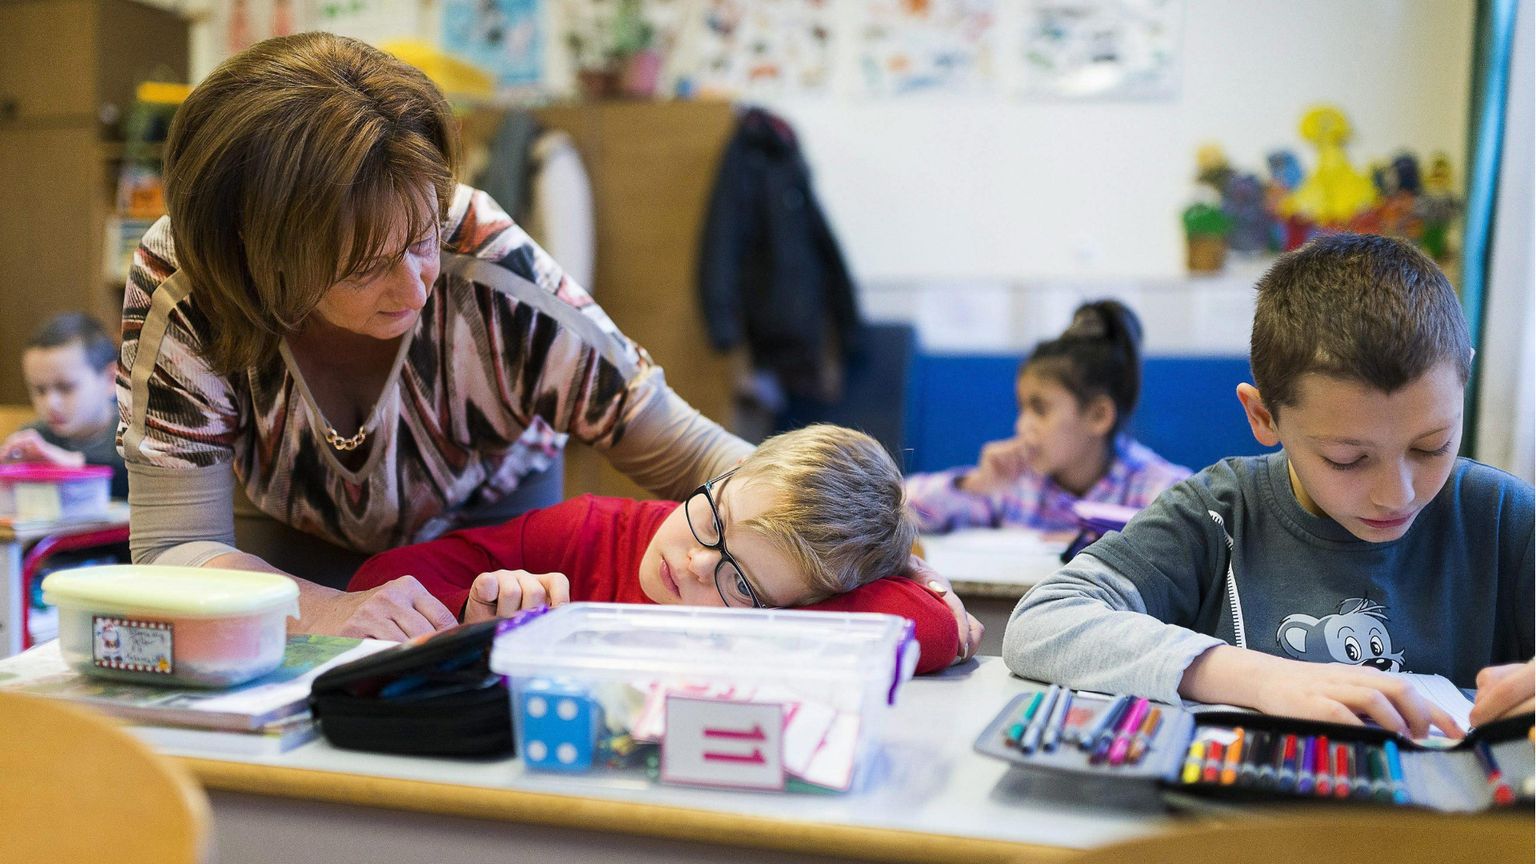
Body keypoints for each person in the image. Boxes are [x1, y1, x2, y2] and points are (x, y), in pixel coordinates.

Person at [116, 32, 979, 655]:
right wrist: (326, 609)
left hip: (493, 555)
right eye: (365, 267)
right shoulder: (184, 283)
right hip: (282, 560)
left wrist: (878, 549)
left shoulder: (490, 263)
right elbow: (171, 550)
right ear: (257, 263)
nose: (416, 286)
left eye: (424, 237)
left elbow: (696, 456)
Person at [1002, 234, 1534, 738]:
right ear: (1263, 417)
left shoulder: (1503, 519)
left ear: (1464, 377)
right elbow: (1042, 622)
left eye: (1431, 446)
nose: (1397, 495)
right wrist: (1261, 678)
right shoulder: (1218, 513)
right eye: (1346, 459)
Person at [350, 425, 970, 673]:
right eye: (715, 516)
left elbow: (936, 628)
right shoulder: (585, 534)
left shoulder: (789, 604)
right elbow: (376, 582)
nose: (698, 562)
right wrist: (472, 608)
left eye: (741, 583)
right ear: (724, 475)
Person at [904, 300, 1189, 534]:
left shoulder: (1159, 492)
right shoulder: (1016, 483)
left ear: (1098, 416)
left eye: (1039, 409)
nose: (1021, 425)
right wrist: (975, 483)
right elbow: (895, 511)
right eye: (1022, 408)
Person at [2, 312, 128, 498]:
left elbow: (138, 483)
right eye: (40, 390)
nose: (51, 403)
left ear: (110, 379)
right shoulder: (35, 439)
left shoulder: (134, 436)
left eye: (66, 388)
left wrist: (68, 463)